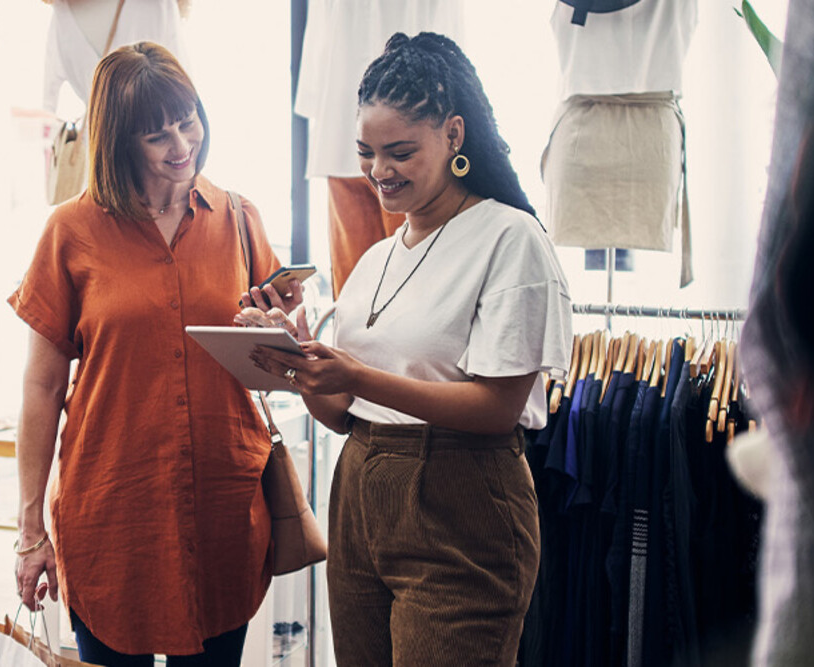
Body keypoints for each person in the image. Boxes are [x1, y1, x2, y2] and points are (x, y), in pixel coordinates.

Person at [245, 32, 572, 666]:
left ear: (454, 135)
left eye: (399, 152)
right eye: (366, 152)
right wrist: (301, 358)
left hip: (463, 503)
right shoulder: (374, 259)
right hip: (361, 495)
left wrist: (357, 377)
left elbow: (497, 409)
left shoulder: (509, 238)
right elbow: (346, 411)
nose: (378, 172)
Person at [8, 41, 300, 667]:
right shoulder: (70, 231)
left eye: (187, 119)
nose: (181, 145)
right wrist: (29, 531)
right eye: (155, 135)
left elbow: (274, 363)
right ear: (117, 142)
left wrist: (276, 330)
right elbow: (40, 389)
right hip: (113, 508)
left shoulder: (240, 218)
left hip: (224, 501)